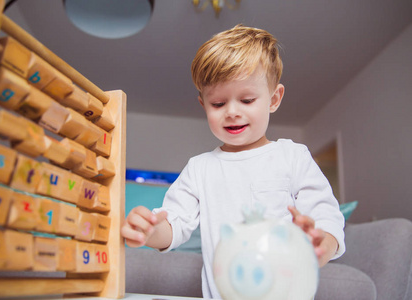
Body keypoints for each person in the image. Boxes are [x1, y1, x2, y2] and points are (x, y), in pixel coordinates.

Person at [121, 25, 345, 298]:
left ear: (274, 99)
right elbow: (175, 225)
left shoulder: (292, 156)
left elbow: (327, 219)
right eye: (218, 104)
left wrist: (320, 245)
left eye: (247, 99)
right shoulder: (199, 169)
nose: (232, 112)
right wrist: (150, 230)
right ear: (203, 105)